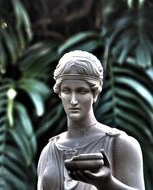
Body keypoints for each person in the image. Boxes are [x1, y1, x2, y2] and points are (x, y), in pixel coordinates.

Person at [37, 50, 145, 190]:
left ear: (95, 94)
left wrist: (107, 183)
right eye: (66, 91)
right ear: (59, 93)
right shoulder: (49, 151)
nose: (73, 100)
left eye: (82, 91)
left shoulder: (120, 144)